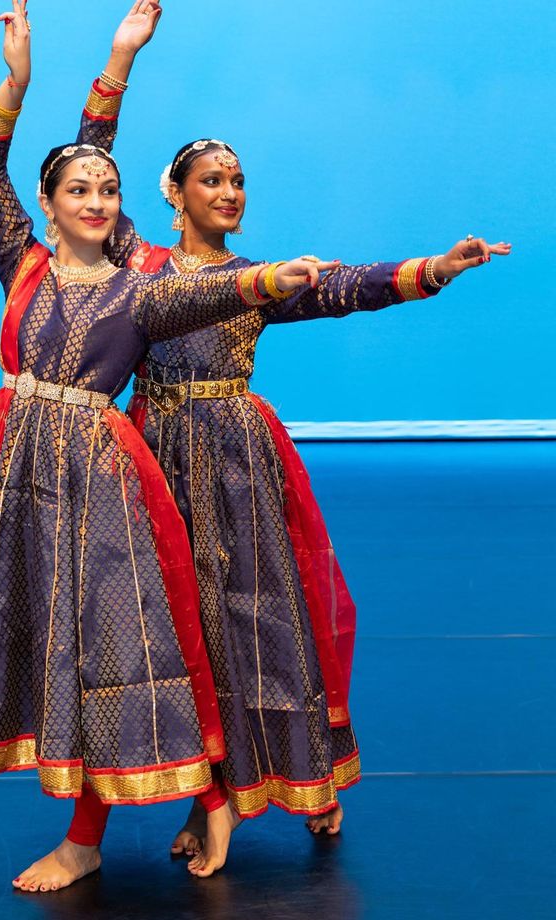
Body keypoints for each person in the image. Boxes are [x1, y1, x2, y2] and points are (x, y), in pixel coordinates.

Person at [74, 0, 512, 878]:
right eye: (213, 179)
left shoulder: (261, 280)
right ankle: (210, 793)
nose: (231, 191)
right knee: (173, 628)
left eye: (239, 180)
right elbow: (92, 163)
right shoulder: (136, 260)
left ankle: (294, 779)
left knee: (258, 623)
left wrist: (436, 269)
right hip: (155, 461)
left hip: (236, 467)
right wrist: (120, 58)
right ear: (175, 194)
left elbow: (348, 285)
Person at [0, 0, 321, 894]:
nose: (99, 202)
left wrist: (271, 278)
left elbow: (212, 296)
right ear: (48, 203)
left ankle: (98, 831)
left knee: (101, 646)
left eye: (109, 192)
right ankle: (169, 805)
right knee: (45, 641)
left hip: (98, 481)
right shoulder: (22, 262)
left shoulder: (140, 288)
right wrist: (41, 76)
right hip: (24, 477)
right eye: (81, 191)